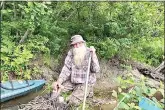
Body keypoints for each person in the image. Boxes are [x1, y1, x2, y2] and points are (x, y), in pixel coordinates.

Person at [52, 35, 100, 108]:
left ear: (83, 43)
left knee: (73, 102)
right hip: (73, 81)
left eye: (79, 43)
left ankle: (86, 94)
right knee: (55, 91)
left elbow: (96, 69)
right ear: (73, 45)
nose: (77, 46)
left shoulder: (89, 52)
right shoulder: (71, 52)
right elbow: (66, 68)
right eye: (75, 44)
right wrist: (59, 81)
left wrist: (93, 55)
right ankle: (60, 103)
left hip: (86, 83)